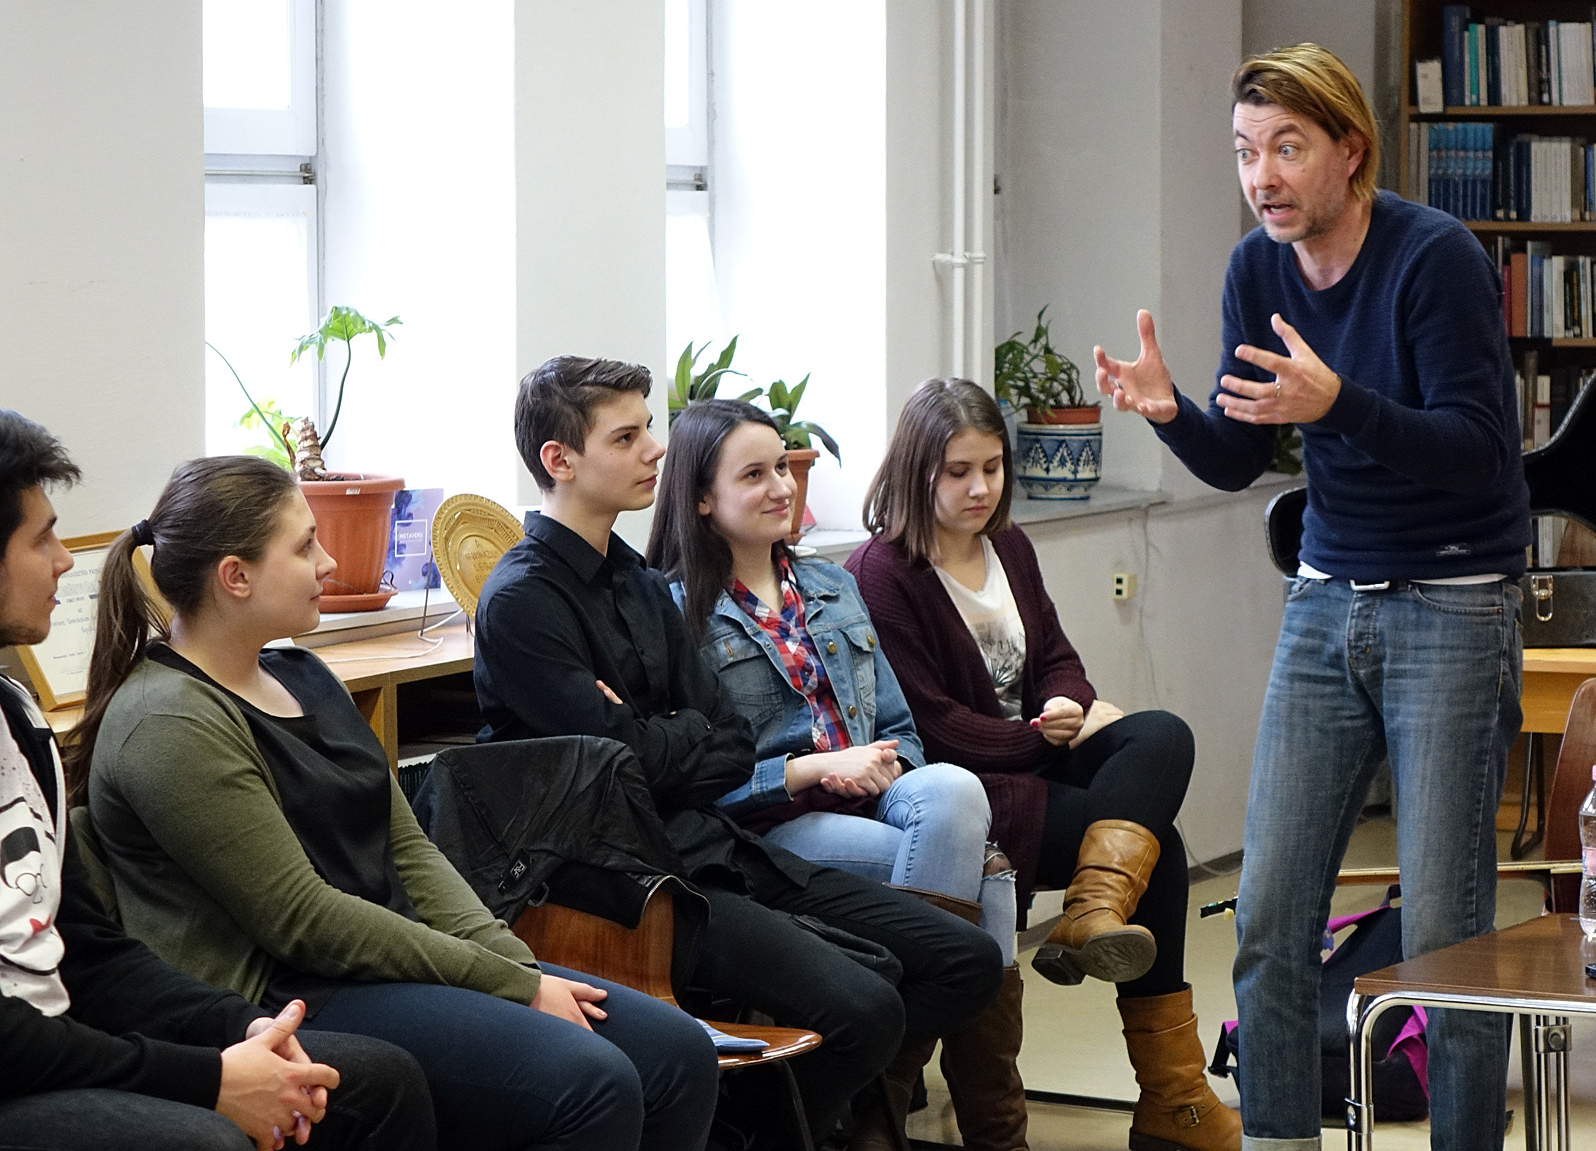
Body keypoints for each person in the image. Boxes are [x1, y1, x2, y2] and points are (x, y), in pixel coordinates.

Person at [1092, 42, 1530, 1151]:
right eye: (1246, 152)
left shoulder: (1433, 258)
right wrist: (1170, 415)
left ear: (1350, 150)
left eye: (1287, 147)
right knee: (1271, 917)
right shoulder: (1257, 268)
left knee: (1445, 937)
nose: (1263, 176)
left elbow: (1480, 450)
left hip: (1454, 600)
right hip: (1326, 598)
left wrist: (1338, 405)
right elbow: (1244, 458)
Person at [70, 454, 720, 1151]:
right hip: (285, 997)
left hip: (383, 958)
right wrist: (508, 983)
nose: (328, 563)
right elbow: (304, 920)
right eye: (304, 547)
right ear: (236, 577)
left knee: (677, 1053)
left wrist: (514, 963)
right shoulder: (168, 721)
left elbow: (409, 851)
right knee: (592, 1080)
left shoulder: (303, 673)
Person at [471, 356, 1002, 1147]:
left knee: (964, 960)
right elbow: (621, 772)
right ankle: (754, 1133)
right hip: (630, 885)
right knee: (866, 1006)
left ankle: (747, 1130)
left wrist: (652, 732)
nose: (655, 448)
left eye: (649, 430)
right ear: (561, 460)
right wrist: (669, 735)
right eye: (627, 436)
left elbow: (726, 744)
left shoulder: (637, 581)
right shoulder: (522, 600)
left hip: (715, 848)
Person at [0, 409, 433, 1151]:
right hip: (23, 1068)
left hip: (60, 1041)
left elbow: (87, 949)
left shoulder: (16, 714)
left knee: (373, 1083)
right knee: (210, 1141)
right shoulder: (165, 716)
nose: (65, 560)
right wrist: (207, 1078)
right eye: (42, 540)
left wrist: (245, 1028)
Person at [848, 377, 1240, 1151]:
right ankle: (1173, 1097)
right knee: (1159, 853)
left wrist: (1066, 701)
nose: (981, 488)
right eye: (959, 472)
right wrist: (1048, 737)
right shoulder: (882, 572)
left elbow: (1058, 657)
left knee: (1162, 734)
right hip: (970, 793)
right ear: (917, 470)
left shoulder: (1011, 546)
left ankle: (1091, 915)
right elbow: (933, 727)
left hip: (1034, 759)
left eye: (992, 468)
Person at [648, 397, 1028, 1151]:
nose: (782, 487)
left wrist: (885, 768)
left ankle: (882, 1110)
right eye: (753, 475)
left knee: (953, 787)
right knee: (988, 881)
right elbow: (691, 782)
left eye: (782, 468)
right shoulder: (676, 612)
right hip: (769, 829)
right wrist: (813, 770)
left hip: (871, 801)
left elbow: (900, 729)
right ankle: (961, 1127)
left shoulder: (831, 586)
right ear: (701, 497)